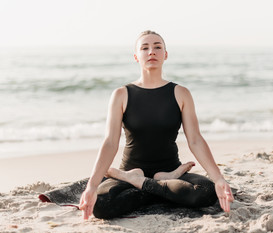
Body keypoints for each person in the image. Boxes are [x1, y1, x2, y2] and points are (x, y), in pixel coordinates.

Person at [79, 30, 234, 220]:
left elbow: (195, 140)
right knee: (101, 205)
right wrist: (92, 186)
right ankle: (142, 181)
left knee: (206, 192)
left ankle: (143, 183)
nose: (151, 51)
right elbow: (110, 142)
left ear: (165, 55)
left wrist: (219, 178)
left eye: (157, 47)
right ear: (136, 56)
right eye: (145, 48)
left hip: (172, 175)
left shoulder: (181, 93)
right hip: (131, 171)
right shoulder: (121, 94)